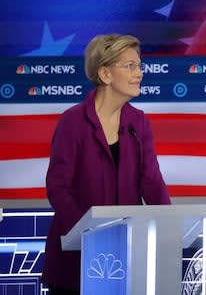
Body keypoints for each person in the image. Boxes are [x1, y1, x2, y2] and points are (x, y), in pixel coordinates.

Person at [42, 34, 171, 294]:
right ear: (105, 74)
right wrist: (90, 233)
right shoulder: (73, 122)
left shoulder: (138, 122)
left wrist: (169, 226)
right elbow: (58, 188)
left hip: (127, 257)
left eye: (139, 66)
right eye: (130, 66)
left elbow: (152, 183)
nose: (140, 73)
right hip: (76, 261)